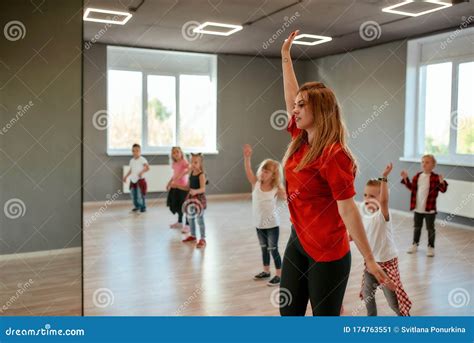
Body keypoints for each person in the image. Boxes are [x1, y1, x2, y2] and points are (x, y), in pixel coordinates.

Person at [279, 30, 394, 316]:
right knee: (288, 314)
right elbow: (291, 96)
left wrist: (369, 259)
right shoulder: (299, 140)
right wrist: (285, 58)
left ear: (320, 110)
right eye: (295, 106)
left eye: (302, 106)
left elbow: (349, 211)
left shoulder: (334, 155)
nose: (295, 109)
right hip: (298, 242)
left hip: (329, 253)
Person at [359, 163, 412, 316]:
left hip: (386, 263)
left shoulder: (382, 215)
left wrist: (384, 177)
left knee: (393, 302)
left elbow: (384, 201)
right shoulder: (365, 215)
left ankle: (405, 319)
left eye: (372, 196)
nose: (368, 199)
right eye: (365, 195)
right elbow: (361, 234)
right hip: (371, 263)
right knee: (367, 294)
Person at [243, 144, 286, 287]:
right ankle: (266, 271)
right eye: (262, 170)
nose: (262, 173)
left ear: (273, 175)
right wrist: (247, 157)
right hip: (259, 223)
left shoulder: (276, 188)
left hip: (272, 224)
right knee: (263, 248)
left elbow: (289, 197)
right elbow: (248, 170)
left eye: (267, 172)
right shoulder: (255, 184)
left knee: (273, 249)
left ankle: (279, 275)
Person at [401, 154, 448, 257]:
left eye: (427, 162)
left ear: (433, 165)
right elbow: (412, 187)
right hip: (418, 208)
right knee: (417, 227)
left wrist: (442, 182)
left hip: (429, 209)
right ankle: (415, 244)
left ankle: (431, 247)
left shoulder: (436, 178)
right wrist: (405, 179)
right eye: (422, 162)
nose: (424, 164)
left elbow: (443, 190)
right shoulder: (418, 176)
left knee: (430, 229)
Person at [181, 153, 208, 248]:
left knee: (200, 219)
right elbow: (188, 186)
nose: (193, 164)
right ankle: (193, 235)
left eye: (195, 162)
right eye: (191, 162)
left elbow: (203, 189)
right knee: (190, 218)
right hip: (191, 199)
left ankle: (203, 238)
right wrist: (179, 186)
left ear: (200, 163)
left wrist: (195, 191)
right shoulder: (191, 173)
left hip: (199, 200)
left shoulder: (201, 175)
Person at [166, 147, 190, 233]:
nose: (176, 154)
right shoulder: (175, 163)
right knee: (178, 206)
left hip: (183, 187)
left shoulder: (183, 161)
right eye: (174, 153)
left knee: (185, 206)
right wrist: (169, 182)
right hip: (175, 187)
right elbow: (174, 175)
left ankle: (188, 225)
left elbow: (189, 168)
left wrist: (183, 173)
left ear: (181, 153)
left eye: (177, 152)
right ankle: (180, 222)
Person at [122, 143, 149, 213]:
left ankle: (143, 207)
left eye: (137, 150)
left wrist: (141, 172)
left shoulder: (142, 159)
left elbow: (147, 167)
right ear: (132, 152)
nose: (135, 152)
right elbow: (131, 170)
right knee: (133, 195)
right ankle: (137, 206)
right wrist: (126, 176)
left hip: (140, 180)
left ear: (140, 151)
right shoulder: (131, 161)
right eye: (134, 151)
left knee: (140, 194)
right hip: (133, 180)